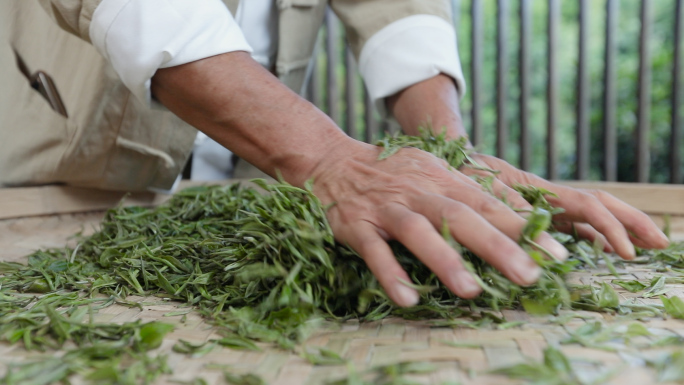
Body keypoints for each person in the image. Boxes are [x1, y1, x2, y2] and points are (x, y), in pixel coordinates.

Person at [0, 0, 669, 307]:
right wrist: (328, 159)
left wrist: (445, 155)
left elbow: (395, 8)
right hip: (49, 178)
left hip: (235, 181)